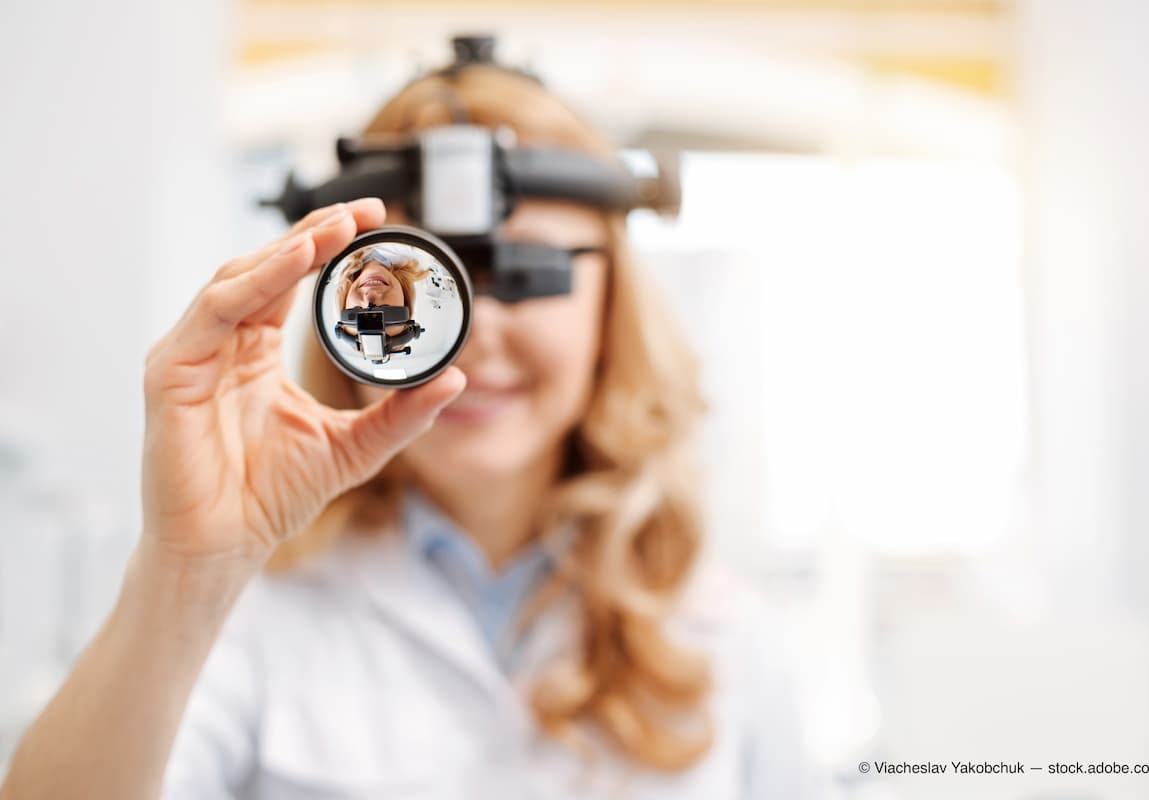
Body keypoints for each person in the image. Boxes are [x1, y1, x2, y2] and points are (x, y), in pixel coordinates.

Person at [0, 58, 832, 800]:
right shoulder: (247, 612)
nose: (472, 334)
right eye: (416, 277)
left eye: (523, 272)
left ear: (612, 304)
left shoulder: (725, 630)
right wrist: (187, 572)